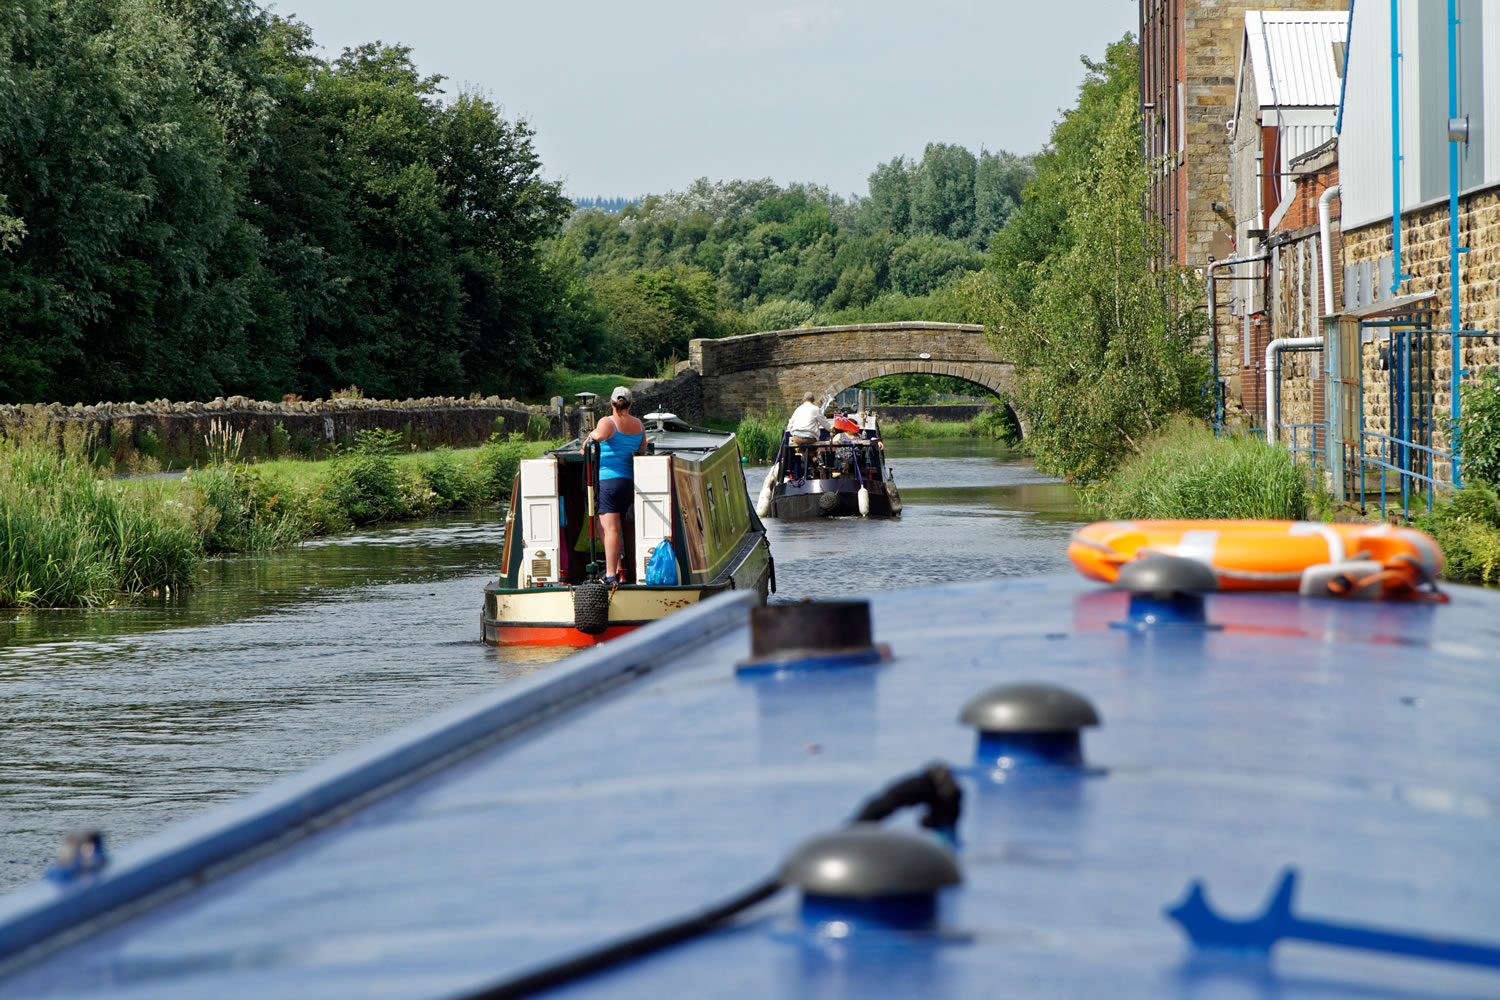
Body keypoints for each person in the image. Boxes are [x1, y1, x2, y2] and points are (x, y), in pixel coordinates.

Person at [587, 386, 645, 585]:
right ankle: (619, 569)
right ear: (630, 403)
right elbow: (642, 448)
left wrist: (587, 441)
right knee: (603, 527)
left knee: (610, 529)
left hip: (608, 481)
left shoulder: (607, 421)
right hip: (628, 482)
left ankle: (611, 575)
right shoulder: (639, 424)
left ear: (611, 403)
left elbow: (598, 437)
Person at [785, 391, 830, 479]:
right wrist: (832, 430)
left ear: (803, 400)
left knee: (801, 448)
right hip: (809, 439)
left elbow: (789, 426)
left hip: (797, 438)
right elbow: (824, 423)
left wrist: (794, 434)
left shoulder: (798, 409)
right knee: (813, 450)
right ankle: (812, 467)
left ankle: (798, 471)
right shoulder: (816, 409)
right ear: (813, 400)